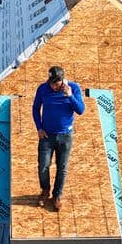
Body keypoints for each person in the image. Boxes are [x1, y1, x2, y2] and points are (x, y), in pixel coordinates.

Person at [32, 66, 85, 211]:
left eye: (57, 83)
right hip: (46, 135)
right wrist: (39, 128)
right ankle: (45, 191)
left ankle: (57, 196)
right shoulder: (43, 89)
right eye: (52, 83)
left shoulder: (73, 88)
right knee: (43, 165)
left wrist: (70, 96)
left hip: (65, 136)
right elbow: (35, 108)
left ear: (63, 80)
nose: (54, 86)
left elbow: (80, 110)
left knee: (62, 167)